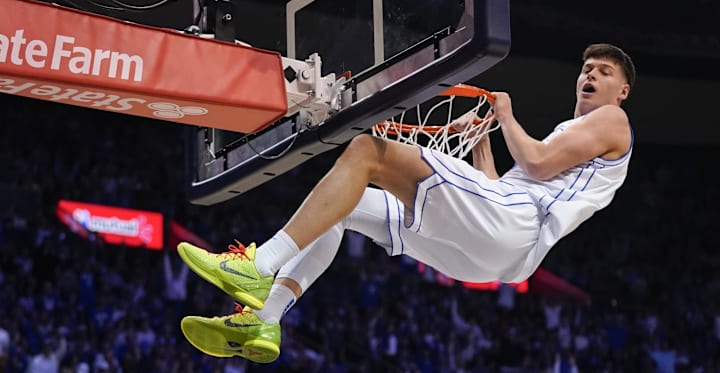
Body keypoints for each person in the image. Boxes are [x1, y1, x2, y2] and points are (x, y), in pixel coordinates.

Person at [176, 43, 636, 363]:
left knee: (364, 153)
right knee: (341, 207)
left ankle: (256, 268)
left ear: (622, 92)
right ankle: (264, 320)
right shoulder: (575, 138)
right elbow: (502, 183)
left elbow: (533, 164)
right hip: (500, 255)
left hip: (514, 224)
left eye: (603, 71)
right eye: (586, 68)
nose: (590, 75)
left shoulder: (613, 120)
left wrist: (507, 113)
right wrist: (480, 138)